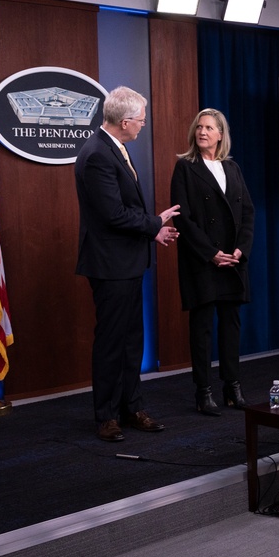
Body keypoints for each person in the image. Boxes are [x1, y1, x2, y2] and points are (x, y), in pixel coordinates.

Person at [75, 86, 180, 443]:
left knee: (132, 340)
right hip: (110, 265)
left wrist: (152, 234)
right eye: (140, 120)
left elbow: (123, 211)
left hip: (128, 262)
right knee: (111, 342)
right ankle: (106, 416)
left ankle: (131, 406)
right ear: (124, 122)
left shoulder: (114, 147)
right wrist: (156, 223)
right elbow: (113, 214)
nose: (143, 125)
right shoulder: (97, 155)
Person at [170, 109, 255, 416]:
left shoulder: (232, 168)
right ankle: (203, 392)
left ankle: (233, 388)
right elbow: (184, 218)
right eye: (199, 127)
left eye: (209, 128)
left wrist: (240, 252)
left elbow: (248, 213)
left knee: (231, 326)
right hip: (203, 260)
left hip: (232, 261)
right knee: (202, 328)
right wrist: (210, 253)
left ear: (221, 135)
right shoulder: (185, 168)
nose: (202, 132)